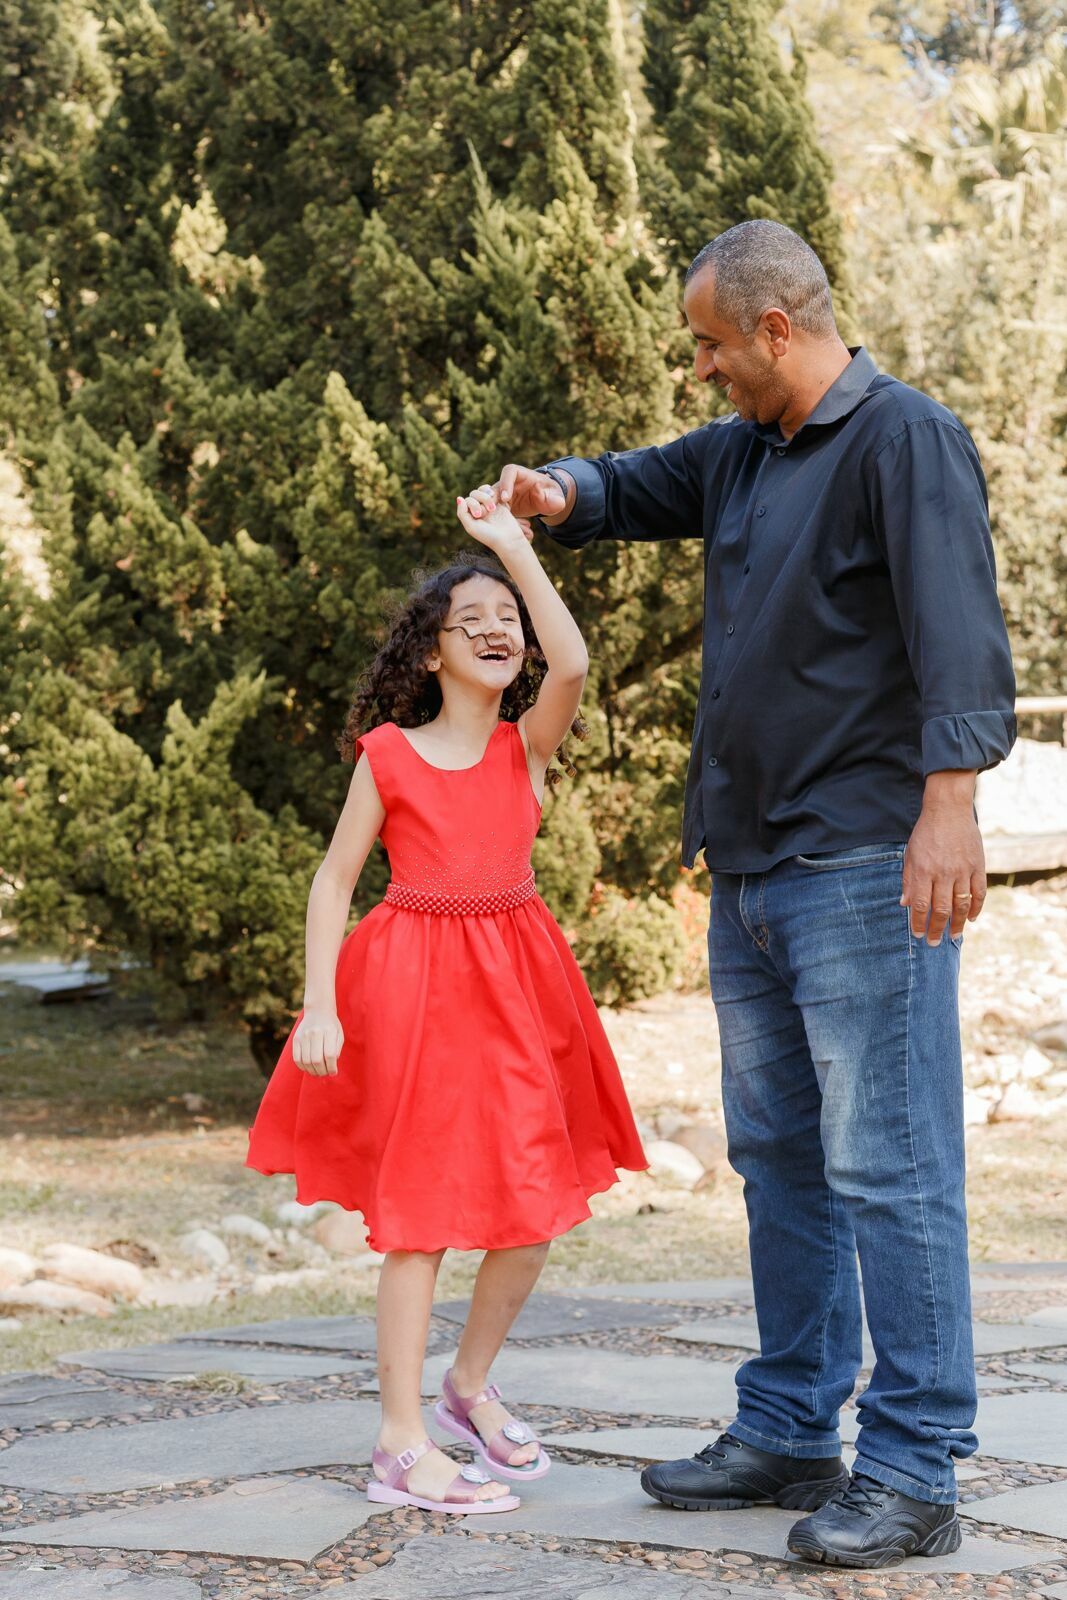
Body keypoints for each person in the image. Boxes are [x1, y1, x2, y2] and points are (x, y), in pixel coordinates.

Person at [474, 219, 1017, 1569]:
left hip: (857, 862)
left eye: (712, 346)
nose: (702, 370)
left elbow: (958, 631)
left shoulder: (902, 439)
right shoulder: (745, 450)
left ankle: (909, 1466)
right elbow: (641, 485)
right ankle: (786, 1425)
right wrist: (561, 492)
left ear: (776, 329)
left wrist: (947, 809)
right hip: (752, 865)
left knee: (888, 1169)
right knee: (779, 1158)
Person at [245, 488, 647, 1516]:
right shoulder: (388, 755)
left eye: (503, 620)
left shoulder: (526, 747)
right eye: (470, 623)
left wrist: (513, 549)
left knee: (536, 1203)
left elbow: (574, 664)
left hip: (518, 988)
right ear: (430, 652)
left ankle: (467, 1385)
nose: (495, 633)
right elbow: (334, 880)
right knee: (417, 1221)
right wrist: (319, 1001)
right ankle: (398, 1441)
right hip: (411, 990)